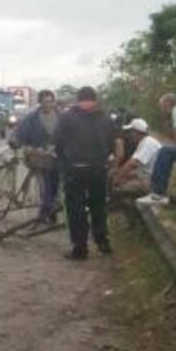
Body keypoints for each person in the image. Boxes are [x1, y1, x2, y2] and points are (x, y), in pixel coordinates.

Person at [54, 86, 115, 260]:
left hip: (75, 169)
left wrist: (62, 159)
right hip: (98, 168)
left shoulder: (68, 117)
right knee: (99, 206)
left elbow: (58, 141)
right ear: (95, 99)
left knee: (76, 209)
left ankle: (80, 248)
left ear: (78, 99)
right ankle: (103, 242)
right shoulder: (105, 117)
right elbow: (112, 142)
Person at [13, 89, 61, 223]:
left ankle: (48, 210)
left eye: (51, 101)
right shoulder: (32, 118)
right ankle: (46, 212)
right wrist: (25, 146)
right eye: (45, 102)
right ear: (40, 103)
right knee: (46, 186)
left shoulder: (60, 116)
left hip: (56, 157)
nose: (48, 104)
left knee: (55, 184)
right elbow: (20, 133)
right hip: (38, 157)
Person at [110, 118, 162, 198]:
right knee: (125, 178)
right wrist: (125, 176)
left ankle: (130, 205)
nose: (129, 135)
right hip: (151, 178)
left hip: (152, 182)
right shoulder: (146, 142)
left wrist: (117, 178)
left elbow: (132, 163)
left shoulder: (147, 143)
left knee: (117, 189)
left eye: (130, 132)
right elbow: (139, 168)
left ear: (136, 132)